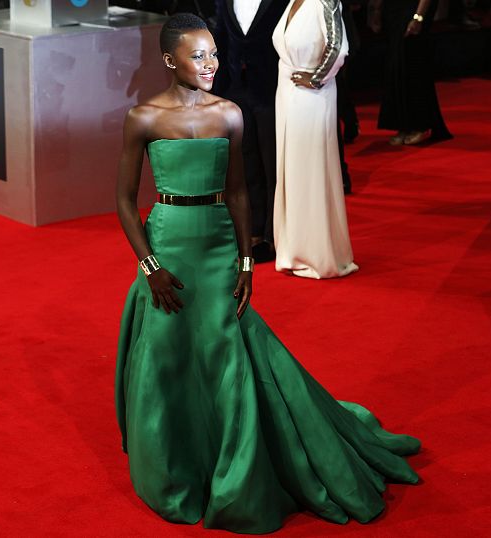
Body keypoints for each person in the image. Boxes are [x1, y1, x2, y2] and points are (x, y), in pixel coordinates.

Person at [114, 13, 420, 534]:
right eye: (198, 55)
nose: (211, 64)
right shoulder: (143, 118)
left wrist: (248, 259)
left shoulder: (229, 114)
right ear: (170, 60)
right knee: (167, 358)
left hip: (215, 247)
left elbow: (237, 192)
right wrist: (150, 265)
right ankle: (174, 472)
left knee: (226, 356)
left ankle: (235, 473)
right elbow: (123, 200)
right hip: (167, 245)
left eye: (213, 53)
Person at [271, 0, 360, 279]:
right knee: (292, 172)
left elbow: (339, 47)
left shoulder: (326, 1)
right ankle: (292, 250)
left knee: (310, 172)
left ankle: (318, 254)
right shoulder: (291, 2)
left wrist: (318, 78)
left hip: (311, 96)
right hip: (287, 92)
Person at [212, 0, 289, 262]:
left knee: (273, 163)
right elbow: (221, 40)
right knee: (246, 164)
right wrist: (217, 92)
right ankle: (254, 231)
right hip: (237, 90)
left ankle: (274, 234)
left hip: (272, 88)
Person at [369, 0, 452, 145]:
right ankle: (404, 126)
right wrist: (376, 11)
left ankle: (421, 125)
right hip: (394, 9)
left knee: (413, 63)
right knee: (396, 64)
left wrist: (418, 17)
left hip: (415, 8)